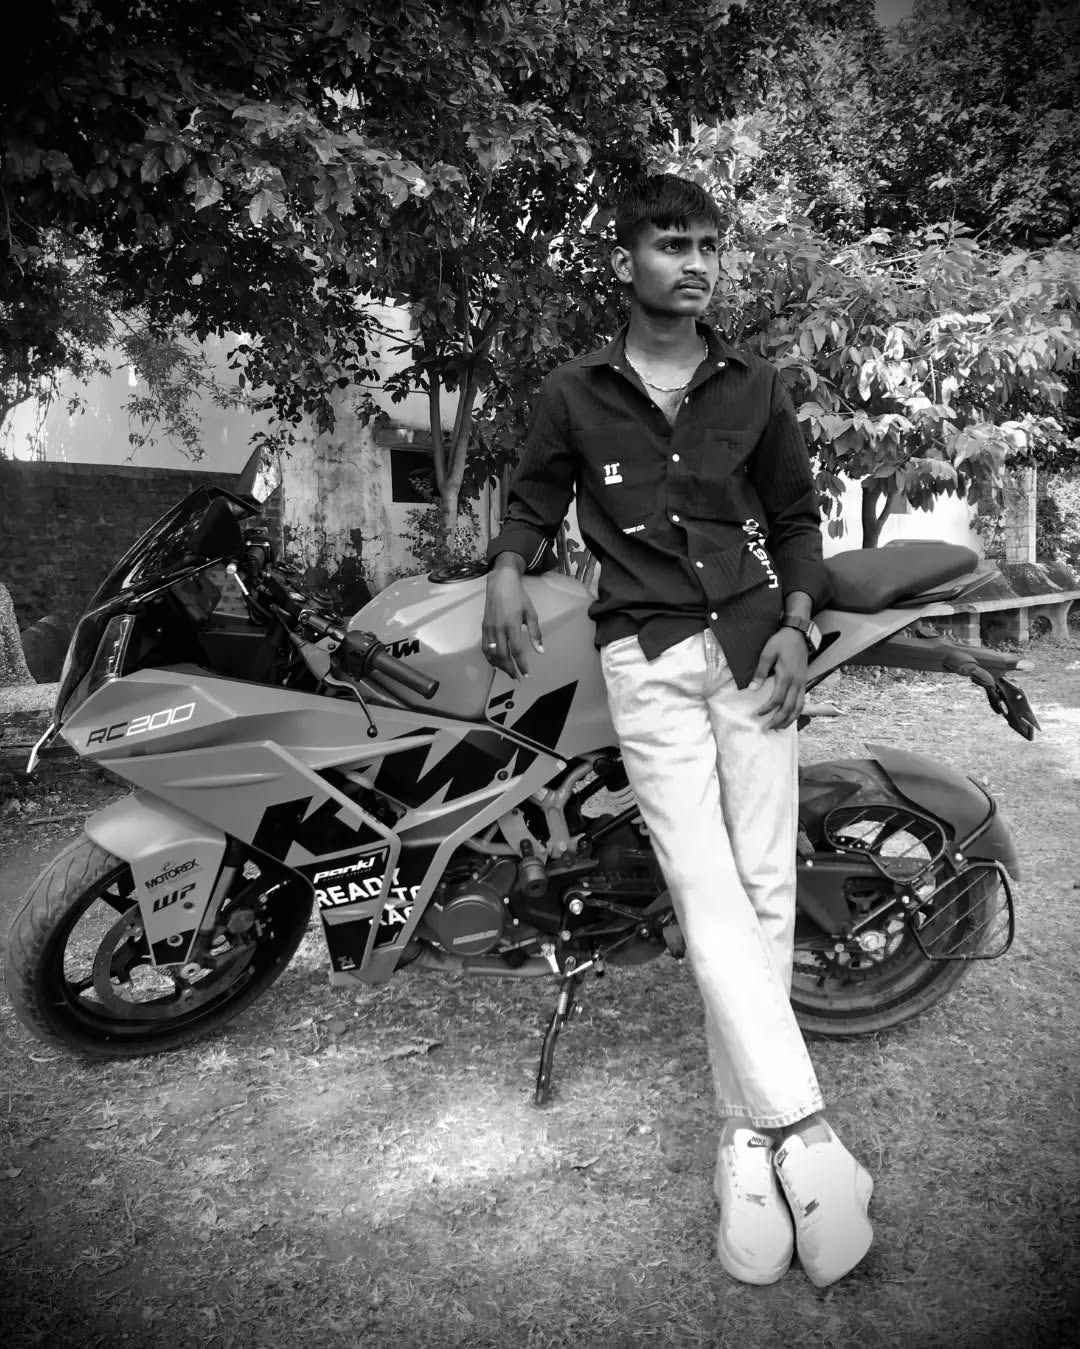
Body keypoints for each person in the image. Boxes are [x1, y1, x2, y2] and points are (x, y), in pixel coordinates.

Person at [480, 174, 873, 1288]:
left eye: (707, 244)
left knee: (763, 886)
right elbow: (532, 501)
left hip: (754, 648)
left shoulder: (757, 385)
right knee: (702, 886)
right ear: (628, 261)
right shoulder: (575, 389)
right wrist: (505, 567)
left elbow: (795, 520)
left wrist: (797, 624)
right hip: (645, 658)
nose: (694, 262)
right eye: (671, 243)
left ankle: (743, 1139)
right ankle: (806, 1134)